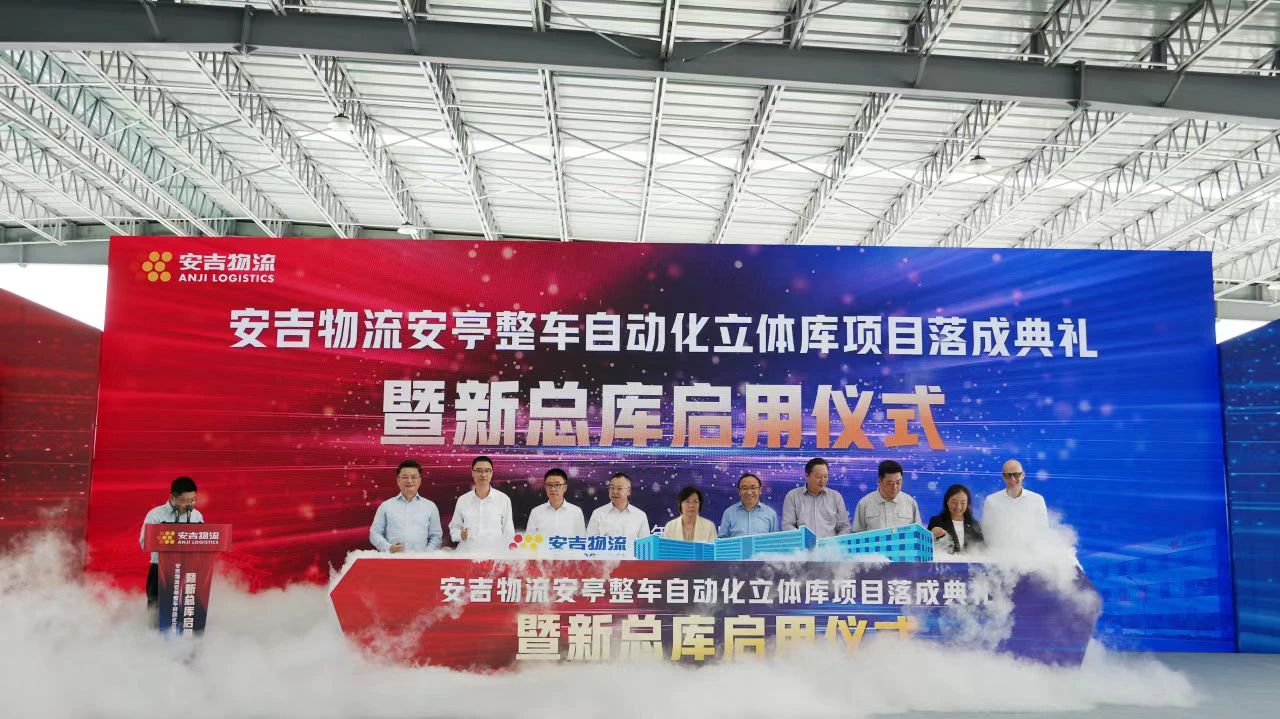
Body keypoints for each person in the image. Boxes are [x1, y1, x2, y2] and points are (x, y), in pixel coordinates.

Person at [139, 476, 204, 607]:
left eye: (193, 500)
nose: (190, 504)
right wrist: (169, 539)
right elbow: (144, 543)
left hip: (188, 570)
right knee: (156, 609)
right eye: (185, 500)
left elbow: (203, 542)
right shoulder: (156, 515)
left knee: (185, 608)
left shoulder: (197, 515)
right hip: (160, 570)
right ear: (172, 497)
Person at [369, 459, 442, 552]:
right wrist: (388, 547)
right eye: (405, 477)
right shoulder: (386, 506)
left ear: (420, 480)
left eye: (413, 477)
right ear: (398, 480)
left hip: (421, 558)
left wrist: (426, 554)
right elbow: (374, 533)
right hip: (393, 558)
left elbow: (436, 537)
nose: (409, 480)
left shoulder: (430, 507)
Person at [448, 455, 514, 550]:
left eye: (487, 470)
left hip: (494, 555)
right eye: (479, 471)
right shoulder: (463, 500)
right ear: (472, 473)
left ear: (491, 473)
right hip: (467, 553)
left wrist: (504, 554)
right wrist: (460, 534)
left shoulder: (503, 499)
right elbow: (454, 527)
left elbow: (508, 532)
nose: (483, 475)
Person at [982, 459, 1050, 547]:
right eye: (1008, 475)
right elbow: (987, 532)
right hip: (1000, 552)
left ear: (1023, 475)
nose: (1012, 479)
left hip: (1030, 553)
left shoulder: (1037, 500)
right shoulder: (991, 500)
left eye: (1016, 475)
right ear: (1003, 476)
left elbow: (1043, 531)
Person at [781, 458, 850, 538]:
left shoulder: (836, 497)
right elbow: (787, 525)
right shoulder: (792, 496)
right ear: (807, 476)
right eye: (819, 477)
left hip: (830, 545)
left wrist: (835, 542)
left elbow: (845, 527)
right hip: (803, 545)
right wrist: (805, 539)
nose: (823, 481)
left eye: (825, 476)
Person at [851, 459, 922, 532]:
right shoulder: (864, 504)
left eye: (898, 482)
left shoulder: (910, 503)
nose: (894, 487)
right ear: (879, 481)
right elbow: (856, 534)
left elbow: (919, 533)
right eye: (890, 483)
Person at [586, 472, 651, 539]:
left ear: (629, 491)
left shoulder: (640, 516)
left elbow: (646, 543)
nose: (614, 492)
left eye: (619, 488)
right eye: (612, 488)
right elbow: (589, 541)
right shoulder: (598, 514)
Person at [525, 468, 586, 537]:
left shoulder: (576, 512)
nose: (553, 489)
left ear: (565, 487)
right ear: (545, 487)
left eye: (557, 485)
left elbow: (581, 539)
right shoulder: (536, 512)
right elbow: (529, 539)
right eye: (549, 485)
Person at [718, 473, 780, 538]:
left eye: (753, 488)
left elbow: (775, 540)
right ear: (739, 491)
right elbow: (722, 540)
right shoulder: (729, 513)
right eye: (745, 488)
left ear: (760, 490)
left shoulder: (770, 514)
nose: (749, 492)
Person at [927, 484, 984, 554]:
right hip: (944, 561)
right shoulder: (936, 521)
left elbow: (983, 550)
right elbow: (925, 547)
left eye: (963, 503)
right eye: (954, 502)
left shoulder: (975, 525)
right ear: (947, 502)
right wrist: (932, 535)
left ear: (967, 504)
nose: (958, 507)